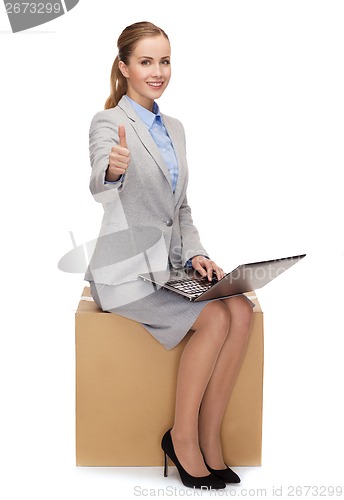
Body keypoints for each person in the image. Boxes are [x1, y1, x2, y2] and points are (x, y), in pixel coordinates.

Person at [85, 21, 253, 490]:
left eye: (164, 61)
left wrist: (197, 254)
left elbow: (181, 209)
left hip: (170, 268)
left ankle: (209, 436)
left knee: (239, 309)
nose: (157, 71)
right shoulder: (108, 122)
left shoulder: (174, 128)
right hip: (127, 275)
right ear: (124, 68)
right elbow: (101, 176)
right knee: (215, 320)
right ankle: (181, 439)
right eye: (146, 61)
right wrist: (112, 170)